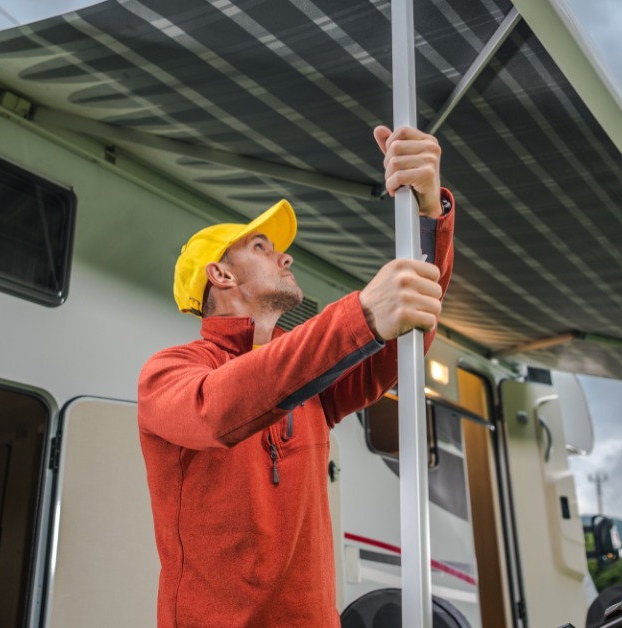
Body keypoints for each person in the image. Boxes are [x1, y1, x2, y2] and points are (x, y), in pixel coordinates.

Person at [137, 125, 456, 627]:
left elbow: (405, 332)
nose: (286, 255)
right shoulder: (171, 372)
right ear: (220, 275)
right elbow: (216, 409)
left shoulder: (306, 379)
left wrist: (428, 214)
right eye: (262, 247)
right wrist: (360, 314)